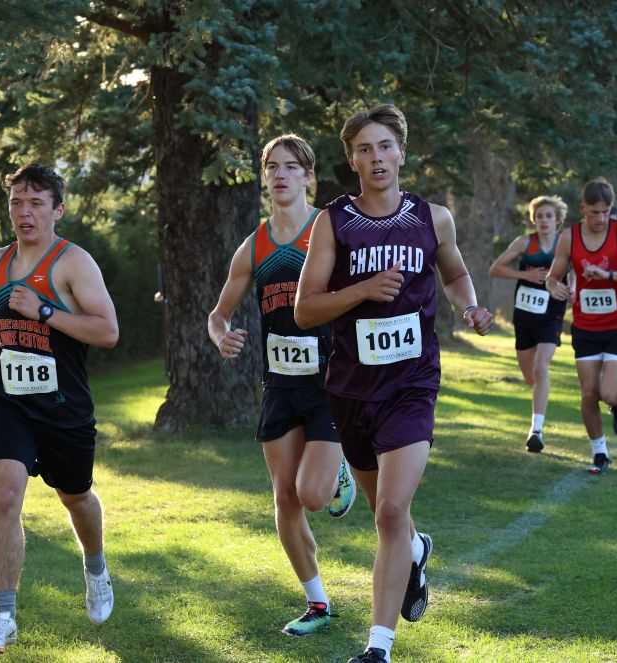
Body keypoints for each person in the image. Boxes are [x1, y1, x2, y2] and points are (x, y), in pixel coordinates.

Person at [294, 105, 494, 663]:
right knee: (385, 510)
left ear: (401, 153)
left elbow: (453, 272)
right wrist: (361, 290)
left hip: (412, 383)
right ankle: (416, 549)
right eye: (364, 148)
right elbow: (306, 310)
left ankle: (378, 647)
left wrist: (470, 307)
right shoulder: (333, 223)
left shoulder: (433, 218)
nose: (376, 158)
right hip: (351, 389)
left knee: (387, 510)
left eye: (385, 146)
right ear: (351, 158)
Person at [0, 163, 119, 655]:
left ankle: (95, 567)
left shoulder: (74, 263)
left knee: (76, 498)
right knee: (6, 494)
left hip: (63, 405)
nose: (24, 212)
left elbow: (108, 332)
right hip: (9, 398)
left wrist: (46, 311)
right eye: (16, 202)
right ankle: (3, 617)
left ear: (57, 210)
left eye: (35, 203)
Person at [208, 134, 356, 637]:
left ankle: (337, 475)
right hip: (279, 384)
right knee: (284, 499)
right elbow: (218, 314)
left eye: (291, 167)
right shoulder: (255, 245)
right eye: (272, 167)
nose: (280, 175)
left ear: (309, 176)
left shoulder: (330, 228)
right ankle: (317, 603)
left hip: (331, 381)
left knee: (311, 494)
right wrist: (222, 336)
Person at [546, 178, 617, 475]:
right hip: (585, 326)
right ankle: (599, 452)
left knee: (610, 393)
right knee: (589, 393)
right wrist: (555, 288)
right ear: (582, 209)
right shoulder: (569, 238)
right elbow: (553, 276)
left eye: (606, 212)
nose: (600, 219)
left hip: (616, 325)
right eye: (594, 212)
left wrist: (608, 275)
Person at [489, 195, 571, 452]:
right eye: (539, 216)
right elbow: (495, 269)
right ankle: (539, 393)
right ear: (533, 219)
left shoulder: (564, 244)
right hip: (524, 315)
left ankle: (536, 430)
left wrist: (572, 291)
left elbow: (576, 272)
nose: (543, 220)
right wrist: (524, 274)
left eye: (548, 216)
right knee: (529, 377)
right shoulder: (525, 242)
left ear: (558, 220)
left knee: (540, 368)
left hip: (551, 315)